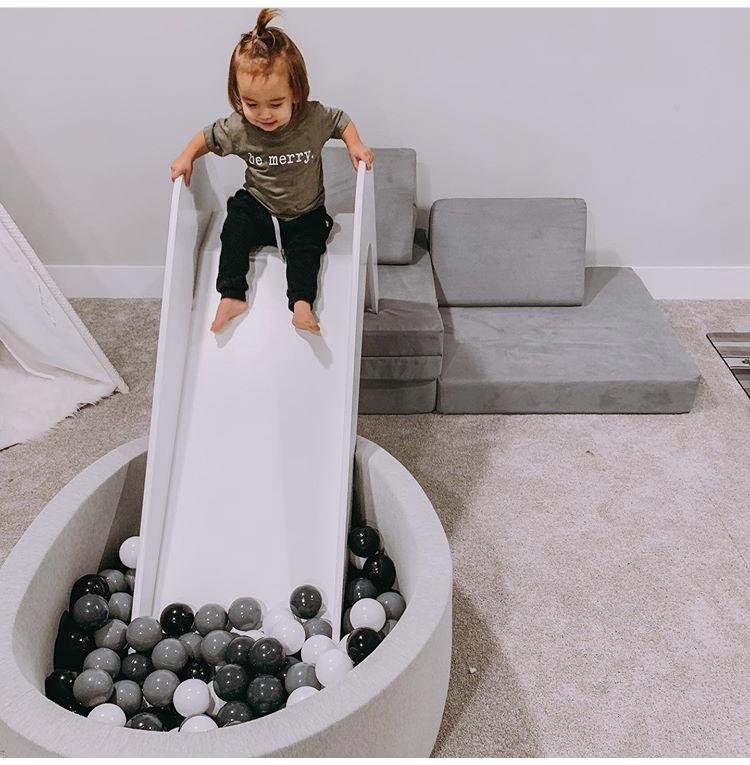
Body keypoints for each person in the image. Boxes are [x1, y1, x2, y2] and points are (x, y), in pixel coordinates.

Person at [170, 7, 374, 333]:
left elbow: (341, 121)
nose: (264, 114)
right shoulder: (239, 128)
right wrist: (186, 157)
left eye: (275, 104)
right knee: (234, 224)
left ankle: (302, 305)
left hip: (305, 212)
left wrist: (355, 145)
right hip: (260, 206)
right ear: (238, 97)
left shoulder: (312, 118)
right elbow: (206, 137)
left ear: (295, 92)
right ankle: (231, 295)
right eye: (251, 104)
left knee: (307, 253)